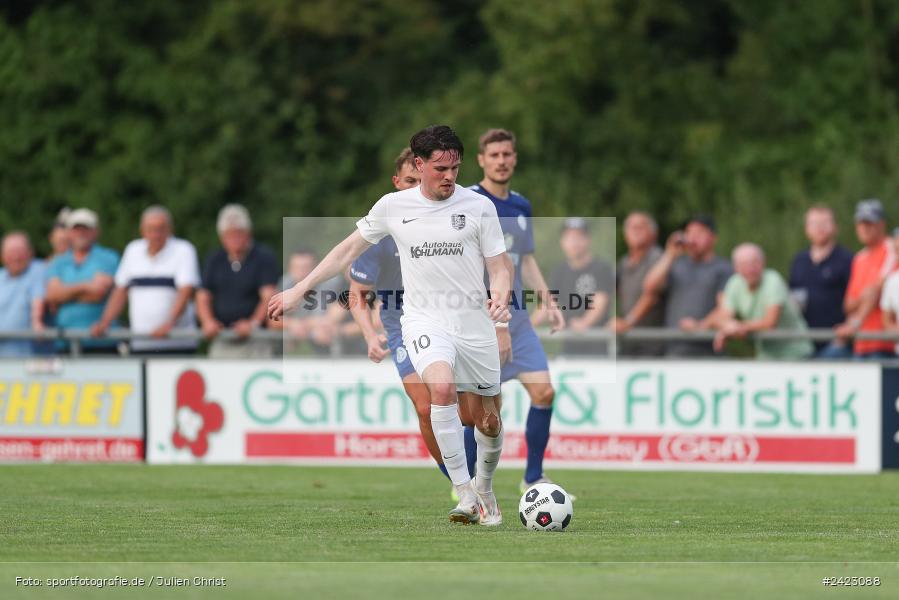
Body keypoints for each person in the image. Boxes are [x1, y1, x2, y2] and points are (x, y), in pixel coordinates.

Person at [269, 125, 512, 526]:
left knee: (488, 419)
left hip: (474, 323)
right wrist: (300, 289)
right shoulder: (392, 207)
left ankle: (485, 488)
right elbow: (347, 250)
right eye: (439, 168)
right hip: (423, 320)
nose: (449, 176)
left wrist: (500, 293)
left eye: (454, 167)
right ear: (419, 164)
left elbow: (498, 265)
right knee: (440, 389)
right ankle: (466, 493)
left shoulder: (479, 206)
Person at [469, 127, 568, 494]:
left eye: (507, 154)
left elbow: (524, 259)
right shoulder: (468, 203)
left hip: (519, 318)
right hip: (480, 317)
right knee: (482, 412)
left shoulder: (521, 205)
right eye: (493, 155)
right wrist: (496, 321)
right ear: (481, 160)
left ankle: (533, 478)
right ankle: (470, 486)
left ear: (514, 158)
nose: (501, 161)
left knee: (544, 393)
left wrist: (548, 299)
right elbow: (471, 266)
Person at [347, 147, 448, 479]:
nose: (416, 188)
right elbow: (357, 293)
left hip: (447, 318)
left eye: (422, 181)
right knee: (425, 406)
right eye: (409, 181)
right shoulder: (381, 232)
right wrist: (369, 335)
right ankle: (457, 481)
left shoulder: (448, 223)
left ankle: (476, 472)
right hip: (401, 325)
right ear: (396, 183)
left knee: (466, 411)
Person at [90, 206, 201, 354]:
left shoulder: (183, 250)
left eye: (161, 228)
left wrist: (169, 324)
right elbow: (120, 291)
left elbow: (185, 292)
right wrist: (105, 322)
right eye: (151, 229)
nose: (156, 234)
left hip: (177, 343)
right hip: (142, 344)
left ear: (170, 229)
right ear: (142, 230)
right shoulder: (133, 250)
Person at [197, 204, 280, 358]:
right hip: (222, 337)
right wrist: (207, 321)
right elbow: (203, 296)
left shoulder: (263, 257)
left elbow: (269, 296)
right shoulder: (214, 259)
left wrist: (253, 323)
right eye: (229, 235)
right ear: (221, 236)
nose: (234, 239)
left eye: (238, 233)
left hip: (255, 340)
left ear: (248, 233)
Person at [643, 215, 733, 356]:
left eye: (699, 233)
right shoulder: (676, 265)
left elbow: (726, 308)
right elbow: (649, 286)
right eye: (689, 233)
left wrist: (701, 326)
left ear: (713, 238)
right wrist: (670, 254)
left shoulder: (723, 268)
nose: (692, 238)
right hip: (674, 350)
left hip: (709, 351)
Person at [822, 199, 896, 359]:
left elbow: (875, 292)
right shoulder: (859, 258)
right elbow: (848, 304)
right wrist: (864, 297)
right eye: (861, 224)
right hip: (861, 344)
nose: (864, 228)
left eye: (869, 223)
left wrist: (854, 324)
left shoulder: (891, 249)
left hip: (885, 343)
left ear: (881, 224)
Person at [714, 243, 813, 359]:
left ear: (763, 263)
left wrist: (737, 327)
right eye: (744, 264)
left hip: (796, 353)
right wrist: (728, 326)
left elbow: (770, 322)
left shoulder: (773, 280)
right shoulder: (734, 282)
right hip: (766, 355)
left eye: (754, 262)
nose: (750, 268)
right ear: (735, 267)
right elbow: (723, 315)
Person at [45, 208, 120, 354]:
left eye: (86, 229)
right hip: (64, 343)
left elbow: (98, 294)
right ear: (69, 233)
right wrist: (86, 286)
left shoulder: (108, 257)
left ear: (96, 232)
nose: (80, 233)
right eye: (76, 229)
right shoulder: (59, 261)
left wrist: (65, 294)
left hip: (101, 342)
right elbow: (52, 296)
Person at [542, 218, 613, 355]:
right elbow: (548, 304)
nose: (574, 242)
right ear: (562, 242)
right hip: (569, 345)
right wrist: (527, 326)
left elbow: (600, 301)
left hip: (597, 346)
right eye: (569, 237)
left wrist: (584, 323)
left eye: (578, 237)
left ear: (588, 240)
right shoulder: (559, 271)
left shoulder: (601, 268)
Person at [788, 205, 853, 353]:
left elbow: (856, 299)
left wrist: (849, 326)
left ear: (835, 227)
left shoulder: (846, 259)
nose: (820, 228)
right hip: (802, 342)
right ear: (806, 229)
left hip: (836, 342)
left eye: (825, 223)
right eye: (814, 223)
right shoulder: (799, 260)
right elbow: (793, 297)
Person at [280, 248, 353, 355]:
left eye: (305, 267)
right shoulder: (285, 283)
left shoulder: (334, 283)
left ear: (317, 268)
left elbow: (334, 315)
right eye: (296, 268)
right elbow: (271, 317)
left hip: (345, 347)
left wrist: (302, 324)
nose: (301, 272)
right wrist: (291, 324)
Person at [613, 211, 665, 356]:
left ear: (653, 233)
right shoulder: (624, 263)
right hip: (628, 342)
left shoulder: (659, 259)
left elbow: (652, 294)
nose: (635, 231)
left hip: (653, 343)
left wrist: (628, 322)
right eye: (631, 227)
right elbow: (606, 293)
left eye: (641, 227)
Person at [0, 232, 46, 356]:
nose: (15, 256)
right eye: (10, 252)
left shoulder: (38, 269)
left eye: (20, 251)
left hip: (28, 359)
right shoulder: (1, 276)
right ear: (2, 256)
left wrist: (37, 321)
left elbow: (38, 298)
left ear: (30, 253)